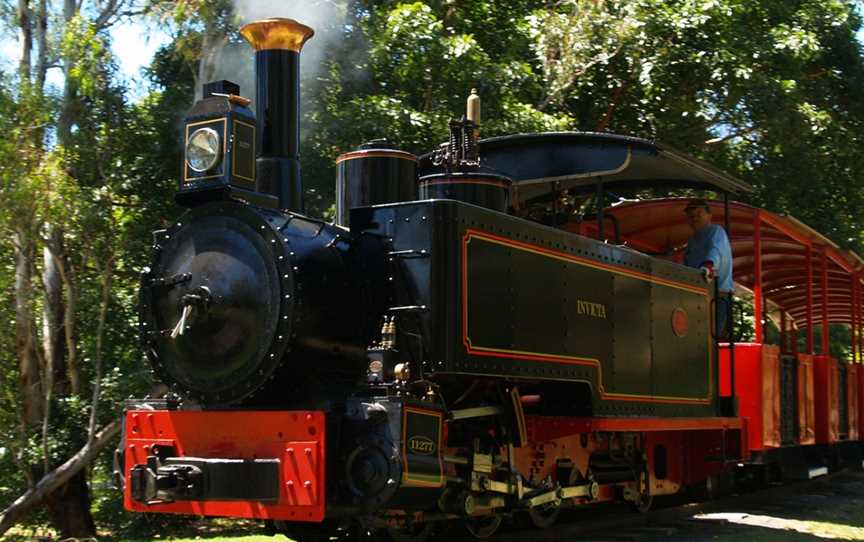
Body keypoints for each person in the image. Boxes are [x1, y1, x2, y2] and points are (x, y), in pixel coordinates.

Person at [683, 199, 733, 338]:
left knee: (709, 338)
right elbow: (686, 265)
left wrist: (709, 266)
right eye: (691, 216)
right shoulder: (692, 242)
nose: (695, 218)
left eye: (699, 213)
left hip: (717, 296)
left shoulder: (716, 231)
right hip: (697, 295)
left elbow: (716, 250)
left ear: (709, 216)